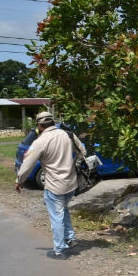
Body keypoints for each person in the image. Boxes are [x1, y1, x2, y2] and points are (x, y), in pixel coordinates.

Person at [15, 111, 86, 259]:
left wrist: (19, 181)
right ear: (53, 122)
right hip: (71, 184)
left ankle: (59, 249)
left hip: (54, 186)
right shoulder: (67, 134)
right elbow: (82, 152)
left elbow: (27, 164)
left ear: (39, 125)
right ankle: (71, 238)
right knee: (63, 210)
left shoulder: (40, 141)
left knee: (56, 217)